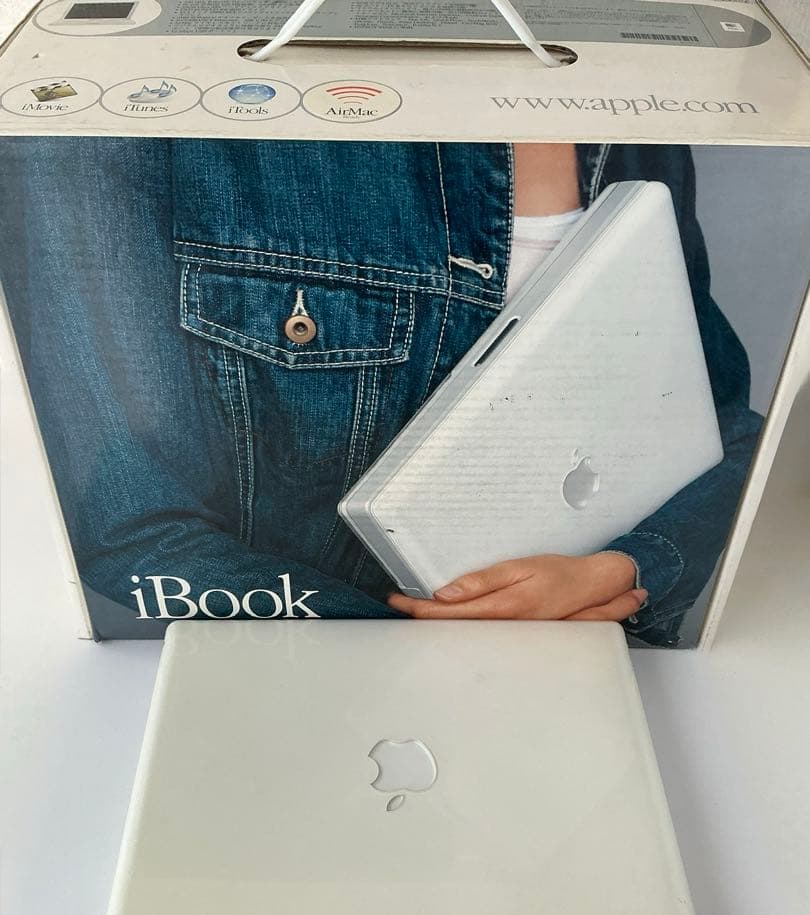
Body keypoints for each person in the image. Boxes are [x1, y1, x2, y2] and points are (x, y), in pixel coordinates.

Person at [0, 138, 762, 644]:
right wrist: (440, 647)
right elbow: (128, 525)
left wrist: (625, 571)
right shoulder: (113, 104)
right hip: (273, 710)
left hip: (578, 684)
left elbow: (715, 425)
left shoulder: (624, 92)